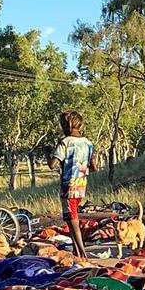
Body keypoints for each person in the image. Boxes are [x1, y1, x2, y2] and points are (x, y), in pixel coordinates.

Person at [45, 110, 97, 258]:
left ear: (66, 125)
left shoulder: (65, 143)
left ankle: (82, 253)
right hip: (81, 185)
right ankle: (76, 251)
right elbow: (94, 167)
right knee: (69, 218)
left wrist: (48, 152)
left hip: (68, 186)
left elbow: (52, 164)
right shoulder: (88, 143)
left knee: (73, 219)